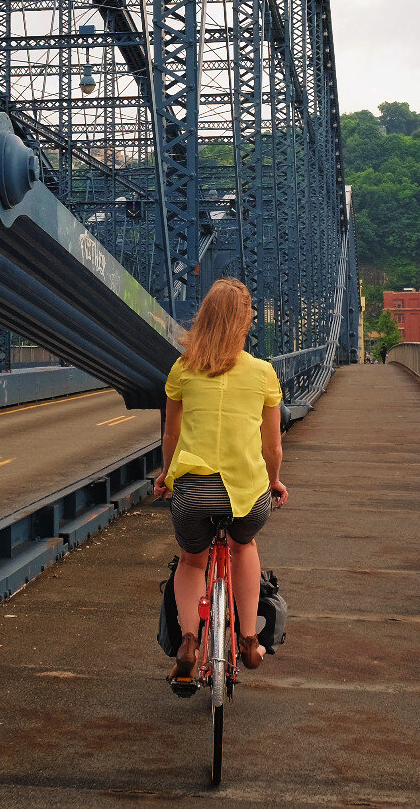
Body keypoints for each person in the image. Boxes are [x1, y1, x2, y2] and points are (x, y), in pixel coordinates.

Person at [153, 277, 288, 686]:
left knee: (193, 559)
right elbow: (273, 447)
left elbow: (171, 437)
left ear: (204, 319)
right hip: (247, 494)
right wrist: (276, 481)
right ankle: (249, 640)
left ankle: (190, 642)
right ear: (245, 322)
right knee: (243, 545)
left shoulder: (183, 369)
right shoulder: (264, 373)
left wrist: (165, 476)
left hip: (193, 491)